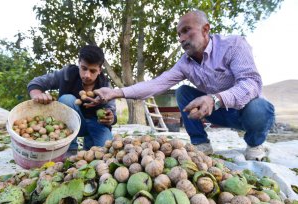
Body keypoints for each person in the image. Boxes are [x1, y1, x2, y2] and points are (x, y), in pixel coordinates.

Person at [93, 10, 275, 161]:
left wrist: (216, 99)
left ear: (205, 29)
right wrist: (115, 93)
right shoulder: (185, 63)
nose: (181, 39)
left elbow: (251, 83)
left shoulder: (233, 45)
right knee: (182, 92)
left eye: (187, 31)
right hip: (216, 113)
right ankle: (200, 143)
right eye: (179, 34)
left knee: (259, 107)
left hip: (245, 113)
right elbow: (157, 84)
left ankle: (254, 144)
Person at [27, 45, 116, 154]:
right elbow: (36, 83)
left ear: (99, 70)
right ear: (79, 63)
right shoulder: (67, 74)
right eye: (84, 68)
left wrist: (110, 118)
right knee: (67, 99)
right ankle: (74, 146)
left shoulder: (106, 85)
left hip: (95, 124)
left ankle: (86, 142)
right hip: (71, 125)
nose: (87, 75)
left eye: (92, 71)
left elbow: (112, 113)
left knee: (106, 150)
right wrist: (37, 94)